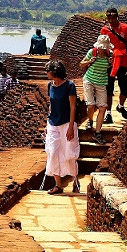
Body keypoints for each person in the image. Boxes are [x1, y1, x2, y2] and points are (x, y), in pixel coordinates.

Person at [43, 60, 80, 195]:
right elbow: (51, 105)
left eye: (48, 71)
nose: (46, 73)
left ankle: (75, 180)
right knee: (52, 152)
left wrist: (71, 126)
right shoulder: (50, 85)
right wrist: (47, 123)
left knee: (69, 153)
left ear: (54, 72)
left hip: (66, 123)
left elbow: (73, 107)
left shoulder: (69, 86)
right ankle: (58, 185)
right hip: (53, 123)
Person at [100, 8, 127, 123]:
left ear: (117, 16)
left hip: (123, 60)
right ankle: (108, 114)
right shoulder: (104, 30)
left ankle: (121, 106)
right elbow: (102, 46)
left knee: (125, 87)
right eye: (108, 17)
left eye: (113, 17)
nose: (111, 19)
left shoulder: (126, 28)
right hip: (110, 62)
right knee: (109, 88)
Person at [80, 35, 113, 144]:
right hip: (89, 80)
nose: (102, 50)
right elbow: (81, 64)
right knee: (91, 105)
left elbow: (113, 67)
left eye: (104, 48)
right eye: (101, 47)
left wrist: (112, 63)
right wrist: (89, 61)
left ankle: (97, 132)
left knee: (102, 107)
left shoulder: (110, 55)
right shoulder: (92, 52)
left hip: (102, 82)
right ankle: (90, 121)